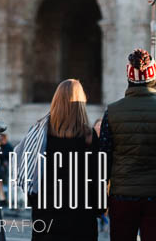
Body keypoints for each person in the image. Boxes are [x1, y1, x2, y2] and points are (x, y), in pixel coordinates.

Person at [98, 49, 156, 241]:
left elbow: (103, 159)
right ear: (153, 77)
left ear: (129, 77)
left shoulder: (112, 112)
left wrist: (101, 197)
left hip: (122, 196)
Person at [29, 79, 104, 239]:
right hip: (81, 216)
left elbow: (31, 173)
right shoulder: (90, 137)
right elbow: (98, 179)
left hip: (46, 214)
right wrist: (99, 209)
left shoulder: (40, 134)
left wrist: (34, 202)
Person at [0, 132, 15, 205]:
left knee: (6, 183)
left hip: (8, 168)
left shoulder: (8, 147)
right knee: (0, 182)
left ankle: (5, 199)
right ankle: (2, 199)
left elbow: (8, 156)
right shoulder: (1, 146)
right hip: (2, 167)